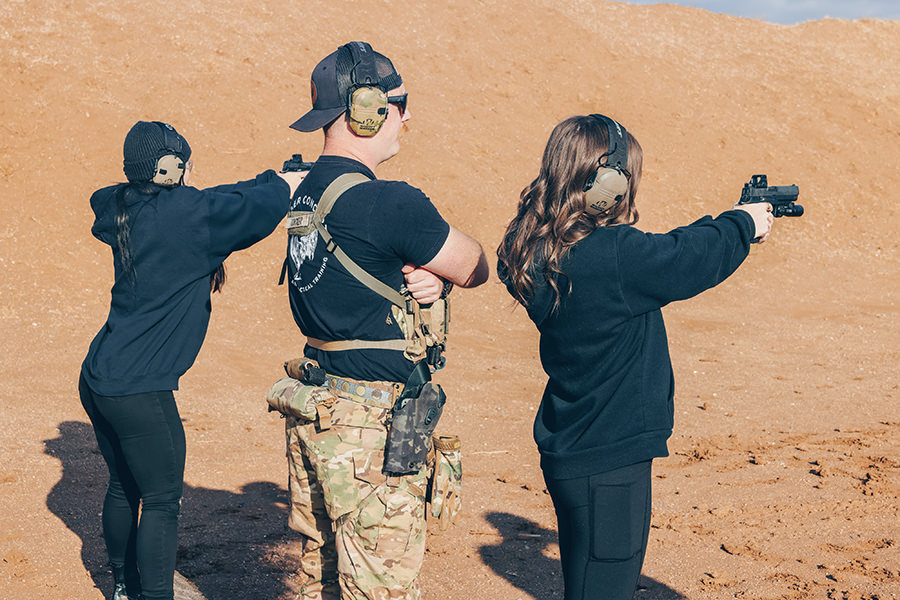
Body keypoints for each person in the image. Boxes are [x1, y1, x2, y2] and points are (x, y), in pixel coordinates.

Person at [496, 114, 774, 600]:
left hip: (577, 448)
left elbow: (669, 250)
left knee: (588, 583)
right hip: (610, 460)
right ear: (605, 182)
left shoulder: (536, 250)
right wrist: (743, 223)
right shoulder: (613, 256)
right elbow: (689, 257)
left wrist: (731, 219)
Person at [276, 41, 488, 600]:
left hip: (317, 408)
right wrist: (442, 277)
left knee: (317, 574)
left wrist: (423, 278)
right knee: (381, 587)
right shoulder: (390, 203)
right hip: (371, 425)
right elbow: (474, 264)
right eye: (399, 103)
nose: (407, 116)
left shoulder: (303, 194)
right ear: (366, 108)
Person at [79, 120, 304, 600]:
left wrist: (273, 178)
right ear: (169, 168)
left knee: (124, 486)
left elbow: (219, 198)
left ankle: (123, 587)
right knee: (162, 501)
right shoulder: (184, 216)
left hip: (100, 373)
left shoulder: (121, 203)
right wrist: (285, 187)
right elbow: (245, 209)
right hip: (140, 389)